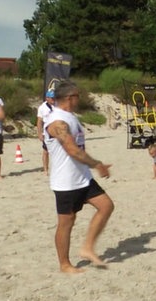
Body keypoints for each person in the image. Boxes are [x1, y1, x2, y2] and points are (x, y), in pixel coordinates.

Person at [44, 81, 114, 273]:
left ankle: (87, 248)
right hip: (66, 182)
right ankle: (64, 264)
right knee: (67, 222)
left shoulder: (69, 117)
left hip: (83, 178)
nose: (79, 99)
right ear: (69, 98)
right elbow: (72, 150)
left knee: (106, 205)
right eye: (77, 96)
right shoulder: (56, 121)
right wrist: (97, 164)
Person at [35, 89, 56, 174]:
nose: (53, 100)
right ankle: (46, 169)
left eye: (54, 98)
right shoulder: (42, 107)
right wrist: (39, 133)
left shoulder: (58, 105)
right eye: (51, 98)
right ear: (47, 98)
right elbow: (39, 121)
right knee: (46, 151)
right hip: (47, 132)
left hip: (58, 131)